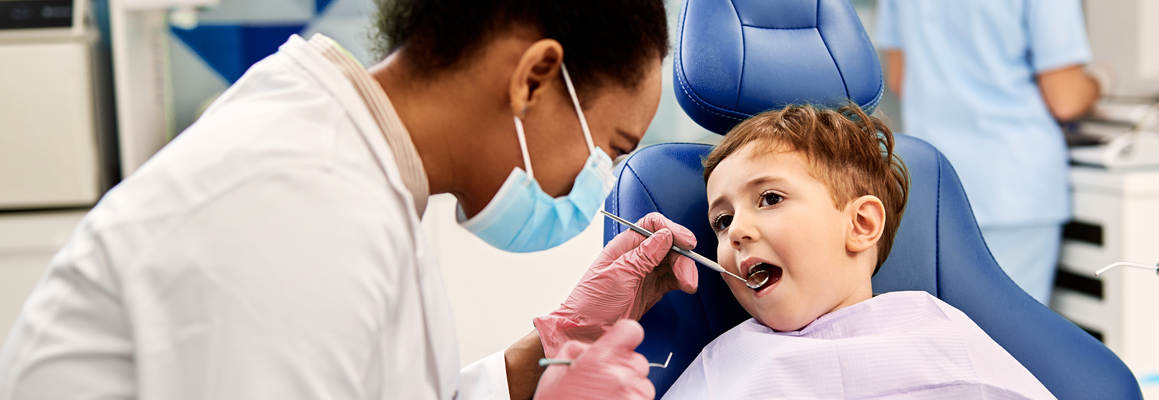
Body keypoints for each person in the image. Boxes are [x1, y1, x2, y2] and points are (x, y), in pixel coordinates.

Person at [0, 1, 694, 399]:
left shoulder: (358, 166)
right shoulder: (298, 202)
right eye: (611, 148)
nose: (601, 180)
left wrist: (554, 348)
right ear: (534, 78)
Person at [660, 104, 1053, 399]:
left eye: (770, 198)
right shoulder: (725, 364)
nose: (737, 232)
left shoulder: (940, 333)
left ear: (861, 224)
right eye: (722, 221)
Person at [875, 0, 1102, 304]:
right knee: (1009, 338)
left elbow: (900, 77)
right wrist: (1100, 83)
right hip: (1012, 184)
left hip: (933, 185)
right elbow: (1066, 98)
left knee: (945, 330)